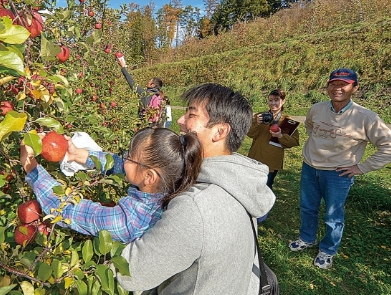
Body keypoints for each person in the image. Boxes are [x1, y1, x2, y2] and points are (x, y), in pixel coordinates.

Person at [117, 83, 276, 294]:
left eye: (191, 115)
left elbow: (131, 273)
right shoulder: (240, 184)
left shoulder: (195, 206)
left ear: (219, 131)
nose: (180, 122)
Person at [288, 68, 391, 270]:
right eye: (333, 84)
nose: (337, 88)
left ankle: (328, 250)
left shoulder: (365, 117)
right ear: (327, 87)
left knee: (333, 216)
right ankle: (307, 238)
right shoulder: (317, 109)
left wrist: (362, 167)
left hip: (338, 174)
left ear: (354, 88)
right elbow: (309, 127)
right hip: (309, 167)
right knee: (308, 207)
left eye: (344, 84)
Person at [20, 128, 202, 243]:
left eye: (129, 156)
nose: (124, 159)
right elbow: (116, 163)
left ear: (148, 177)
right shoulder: (172, 181)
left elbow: (66, 210)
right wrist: (76, 154)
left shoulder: (128, 222)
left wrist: (30, 166)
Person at [246, 89, 300, 222]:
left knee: (266, 185)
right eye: (270, 100)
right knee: (251, 184)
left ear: (283, 101)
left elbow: (294, 141)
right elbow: (250, 134)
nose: (273, 103)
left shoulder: (288, 121)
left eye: (276, 100)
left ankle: (262, 212)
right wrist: (256, 123)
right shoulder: (260, 116)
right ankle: (249, 208)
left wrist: (281, 136)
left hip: (272, 160)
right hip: (255, 157)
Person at [116, 54, 166, 127]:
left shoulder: (145, 93)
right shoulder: (159, 96)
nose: (147, 82)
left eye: (149, 81)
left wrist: (123, 68)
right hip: (155, 126)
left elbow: (131, 83)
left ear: (153, 85)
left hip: (144, 125)